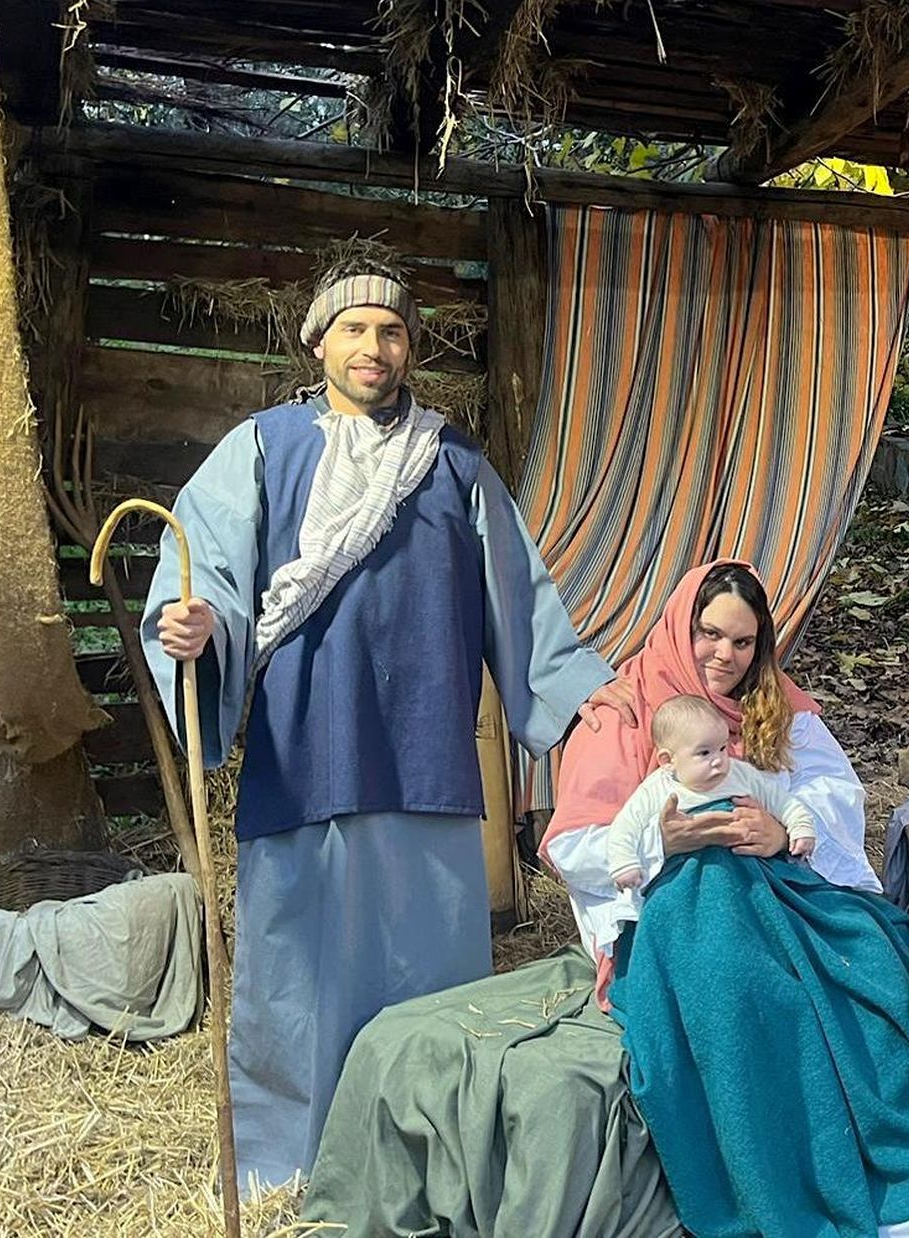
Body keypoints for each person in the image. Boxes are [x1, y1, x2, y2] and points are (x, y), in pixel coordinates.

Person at [142, 269, 634, 1192]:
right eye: (356, 329)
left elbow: (518, 603)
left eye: (393, 332)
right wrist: (195, 632)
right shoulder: (261, 452)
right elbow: (197, 576)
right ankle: (291, 1164)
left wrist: (580, 697)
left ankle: (423, 1163)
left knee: (428, 978)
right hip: (306, 751)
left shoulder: (453, 466)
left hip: (424, 759)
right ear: (318, 343)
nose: (375, 347)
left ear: (411, 349)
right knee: (299, 978)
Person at [543, 561, 909, 1237]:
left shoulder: (777, 702)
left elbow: (838, 795)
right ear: (683, 627)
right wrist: (667, 847)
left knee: (878, 969)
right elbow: (576, 846)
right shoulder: (623, 714)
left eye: (742, 643)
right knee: (739, 984)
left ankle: (878, 1164)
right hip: (679, 902)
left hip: (788, 890)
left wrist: (780, 831)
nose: (724, 656)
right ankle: (779, 1189)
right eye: (710, 635)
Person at [606, 693, 816, 890]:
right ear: (668, 761)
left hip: (751, 874)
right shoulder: (657, 789)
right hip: (686, 880)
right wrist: (625, 863)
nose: (719, 760)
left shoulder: (740, 774)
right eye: (704, 753)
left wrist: (800, 827)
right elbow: (625, 827)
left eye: (722, 748)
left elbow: (782, 801)